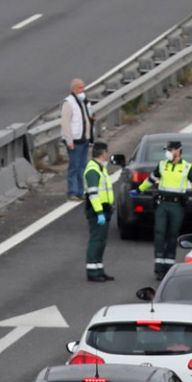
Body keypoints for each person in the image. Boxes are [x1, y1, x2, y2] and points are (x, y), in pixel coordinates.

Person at [131, 141, 192, 280]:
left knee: (172, 235)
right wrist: (138, 190)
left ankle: (169, 267)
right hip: (163, 204)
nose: (168, 152)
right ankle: (158, 267)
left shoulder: (187, 167)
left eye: (171, 149)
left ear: (178, 151)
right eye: (168, 149)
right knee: (159, 233)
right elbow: (150, 180)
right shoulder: (162, 165)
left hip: (177, 205)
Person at [83, 142, 114, 282]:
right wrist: (100, 212)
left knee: (101, 241)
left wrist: (109, 208)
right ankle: (92, 271)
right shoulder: (93, 171)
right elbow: (93, 194)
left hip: (104, 209)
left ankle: (99, 269)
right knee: (96, 240)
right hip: (97, 210)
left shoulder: (101, 168)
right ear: (103, 153)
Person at [61, 78, 96, 201]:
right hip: (75, 141)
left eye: (83, 87)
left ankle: (80, 191)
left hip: (84, 139)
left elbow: (87, 117)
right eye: (80, 87)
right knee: (74, 167)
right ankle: (72, 192)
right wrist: (69, 141)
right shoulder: (68, 103)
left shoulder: (84, 101)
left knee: (82, 167)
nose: (83, 89)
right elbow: (65, 123)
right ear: (73, 89)